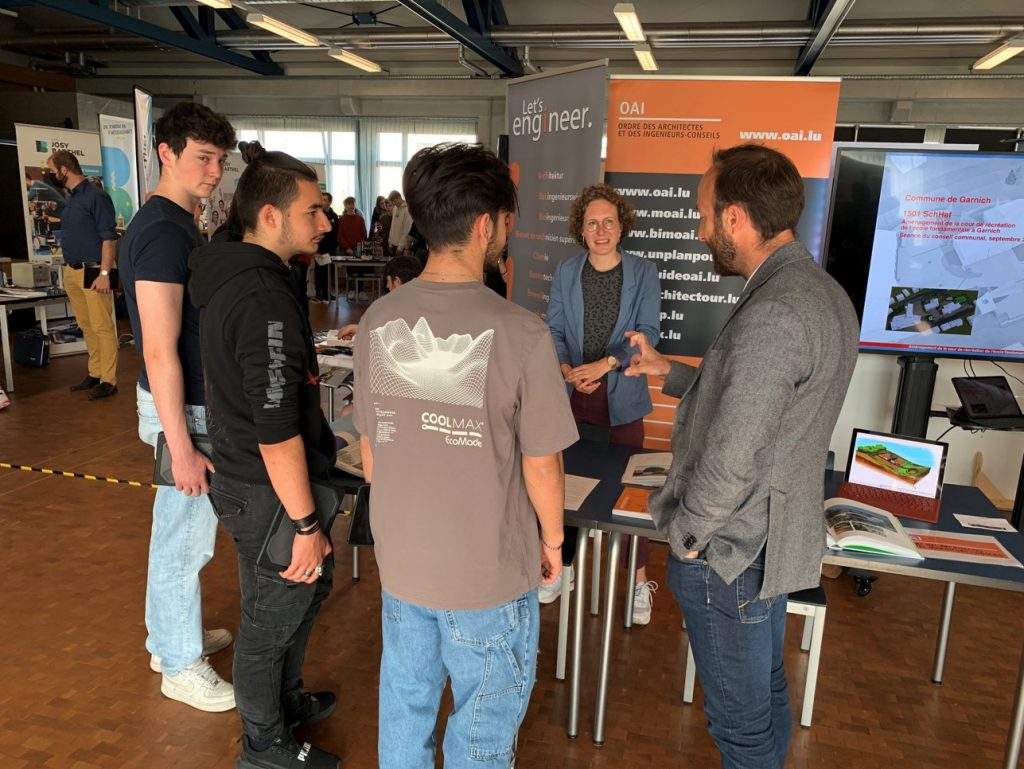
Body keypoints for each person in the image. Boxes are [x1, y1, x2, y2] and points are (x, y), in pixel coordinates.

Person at [624, 143, 859, 769]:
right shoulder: (820, 293)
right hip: (770, 545)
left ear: (735, 218)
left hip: (730, 555)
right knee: (765, 701)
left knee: (742, 732)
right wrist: (670, 372)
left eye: (705, 215)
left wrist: (689, 539)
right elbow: (765, 407)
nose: (701, 230)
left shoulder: (774, 311)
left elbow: (734, 451)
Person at [352, 142, 577, 769]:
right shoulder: (521, 332)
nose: (508, 233)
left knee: (405, 709)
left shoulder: (377, 321)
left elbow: (373, 452)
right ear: (486, 225)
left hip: (404, 564)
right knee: (481, 731)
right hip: (487, 574)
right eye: (507, 221)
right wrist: (552, 542)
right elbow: (542, 463)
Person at [189, 141, 340, 769]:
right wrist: (305, 524)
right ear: (271, 216)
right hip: (267, 491)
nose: (326, 222)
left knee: (304, 594)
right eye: (313, 211)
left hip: (259, 482)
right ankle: (264, 746)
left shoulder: (253, 278)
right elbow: (274, 430)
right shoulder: (260, 296)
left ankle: (284, 702)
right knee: (270, 619)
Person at [119, 101, 237, 712]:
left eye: (221, 160)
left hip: (187, 404)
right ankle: (178, 662)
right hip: (180, 409)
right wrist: (183, 446)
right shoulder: (164, 231)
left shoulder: (178, 221)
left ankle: (168, 638)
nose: (215, 171)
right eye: (203, 158)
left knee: (180, 534)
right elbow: (159, 349)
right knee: (184, 542)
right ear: (166, 153)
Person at [545, 183, 661, 623]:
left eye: (608, 221)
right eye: (592, 223)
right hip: (573, 396)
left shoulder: (643, 272)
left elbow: (648, 332)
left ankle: (638, 584)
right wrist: (567, 370)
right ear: (581, 228)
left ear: (621, 225)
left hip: (623, 399)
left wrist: (604, 365)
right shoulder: (567, 271)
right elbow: (554, 330)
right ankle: (561, 568)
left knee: (632, 495)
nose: (600, 230)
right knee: (563, 486)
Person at [45, 150, 119, 400]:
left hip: (95, 270)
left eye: (52, 170)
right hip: (73, 271)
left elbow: (109, 239)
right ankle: (95, 372)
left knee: (101, 326)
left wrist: (105, 273)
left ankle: (108, 380)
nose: (50, 175)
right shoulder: (72, 198)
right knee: (87, 326)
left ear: (64, 170)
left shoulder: (96, 196)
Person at [314, 192, 339, 302]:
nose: (322, 202)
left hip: (331, 248)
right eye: (321, 199)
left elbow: (336, 232)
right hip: (320, 247)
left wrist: (336, 246)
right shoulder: (317, 215)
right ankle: (319, 292)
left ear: (330, 202)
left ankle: (327, 292)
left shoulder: (334, 216)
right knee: (320, 270)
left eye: (325, 199)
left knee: (329, 271)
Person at [386, 189, 413, 255]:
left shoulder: (407, 210)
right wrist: (390, 243)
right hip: (393, 244)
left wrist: (400, 247)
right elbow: (392, 227)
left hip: (402, 246)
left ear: (399, 197)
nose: (394, 204)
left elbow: (406, 230)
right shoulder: (395, 208)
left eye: (394, 201)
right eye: (392, 202)